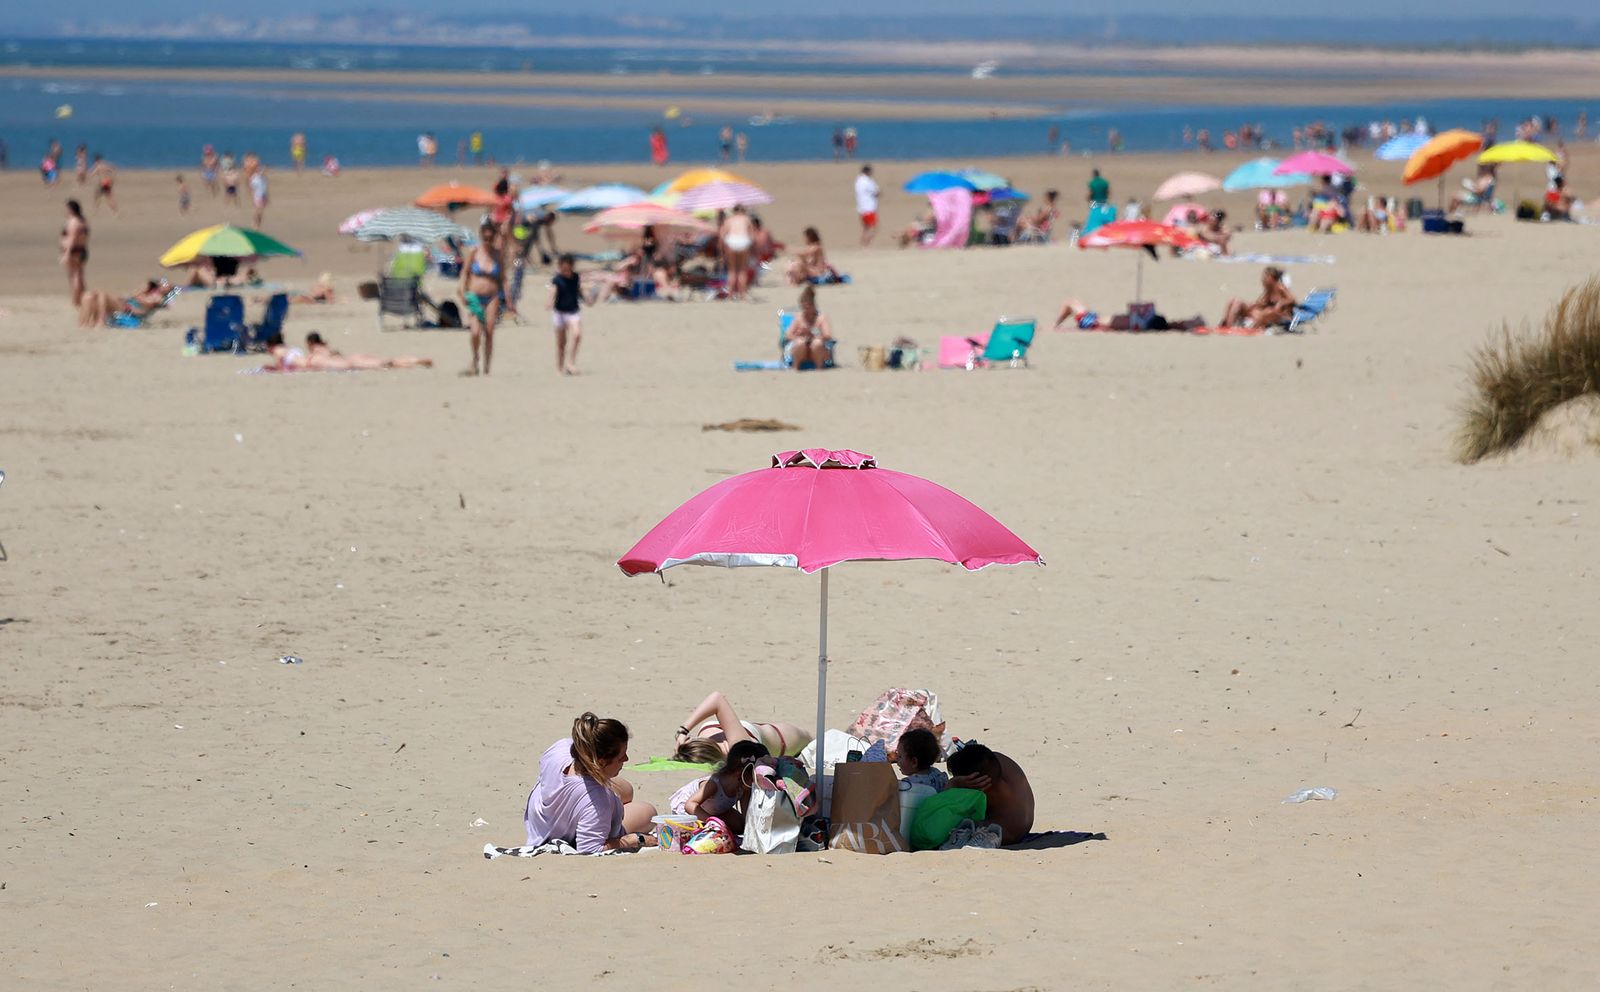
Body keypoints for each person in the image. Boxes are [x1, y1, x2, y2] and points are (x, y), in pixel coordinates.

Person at [524, 714, 658, 854]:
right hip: (558, 831)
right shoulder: (597, 801)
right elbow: (589, 849)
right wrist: (633, 840)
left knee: (627, 790)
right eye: (621, 757)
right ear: (601, 762)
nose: (626, 759)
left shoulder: (561, 747)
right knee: (648, 811)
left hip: (541, 820)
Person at [671, 691, 812, 761]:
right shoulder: (706, 733)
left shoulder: (737, 746)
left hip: (788, 743)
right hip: (773, 734)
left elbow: (717, 697)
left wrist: (682, 731)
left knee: (814, 741)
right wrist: (683, 732)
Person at [668, 740, 769, 834]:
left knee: (739, 825)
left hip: (715, 810)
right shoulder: (714, 784)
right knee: (698, 829)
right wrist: (712, 822)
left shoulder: (744, 787)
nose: (758, 783)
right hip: (691, 811)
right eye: (756, 778)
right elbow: (690, 804)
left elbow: (747, 814)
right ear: (740, 775)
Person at [945, 741, 1035, 845]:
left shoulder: (1001, 831)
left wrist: (952, 784)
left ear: (979, 785)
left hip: (1010, 829)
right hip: (1021, 818)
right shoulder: (997, 760)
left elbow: (943, 810)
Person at [459, 222, 503, 376]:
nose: (488, 239)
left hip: (492, 296)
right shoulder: (474, 252)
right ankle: (476, 358)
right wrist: (461, 291)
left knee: (489, 331)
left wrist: (508, 299)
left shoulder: (498, 254)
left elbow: (503, 278)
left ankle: (487, 367)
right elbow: (464, 273)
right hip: (475, 296)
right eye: (485, 236)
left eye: (491, 236)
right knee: (475, 332)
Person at [304, 332, 432, 370]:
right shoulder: (327, 349)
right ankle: (415, 360)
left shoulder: (315, 352)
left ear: (310, 343)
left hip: (350, 362)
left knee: (385, 364)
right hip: (353, 356)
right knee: (388, 360)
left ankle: (410, 365)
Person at [1220, 266, 1296, 329]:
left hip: (1278, 317)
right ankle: (1227, 325)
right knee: (1236, 301)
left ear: (1272, 279)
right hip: (1264, 315)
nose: (1263, 279)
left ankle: (1251, 328)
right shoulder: (1268, 290)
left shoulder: (1280, 288)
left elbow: (1292, 300)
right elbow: (1261, 303)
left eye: (1265, 277)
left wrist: (1281, 303)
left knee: (1266, 312)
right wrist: (1253, 305)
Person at [77, 278, 171, 328]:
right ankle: (84, 323)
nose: (162, 285)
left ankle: (100, 322)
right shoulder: (145, 294)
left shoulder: (157, 298)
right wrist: (143, 291)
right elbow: (135, 295)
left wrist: (140, 296)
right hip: (122, 304)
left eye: (164, 285)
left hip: (126, 310)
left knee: (102, 295)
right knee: (88, 296)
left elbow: (143, 309)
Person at [548, 253, 583, 375]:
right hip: (560, 313)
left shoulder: (576, 277)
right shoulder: (557, 279)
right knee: (561, 343)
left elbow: (578, 290)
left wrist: (586, 299)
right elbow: (553, 291)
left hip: (573, 311)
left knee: (577, 335)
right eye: (562, 268)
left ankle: (570, 363)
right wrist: (549, 302)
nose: (565, 271)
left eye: (567, 268)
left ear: (572, 267)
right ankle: (559, 367)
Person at [784, 285, 834, 370]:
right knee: (800, 343)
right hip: (801, 350)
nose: (806, 311)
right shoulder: (798, 318)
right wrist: (799, 336)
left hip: (817, 350)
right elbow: (788, 335)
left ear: (813, 306)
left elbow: (828, 335)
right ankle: (795, 367)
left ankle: (819, 367)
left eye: (808, 308)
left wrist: (813, 336)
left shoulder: (821, 318)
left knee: (817, 343)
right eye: (803, 308)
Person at [896, 728, 949, 792]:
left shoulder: (908, 785)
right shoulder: (938, 775)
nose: (896, 759)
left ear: (914, 762)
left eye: (900, 756)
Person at [719, 205, 754, 299]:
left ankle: (730, 294)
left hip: (732, 241)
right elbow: (751, 236)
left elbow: (722, 236)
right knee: (742, 269)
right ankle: (742, 294)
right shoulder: (747, 219)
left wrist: (722, 252)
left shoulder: (729, 220)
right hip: (743, 241)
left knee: (732, 270)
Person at [61, 199, 89, 307]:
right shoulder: (82, 221)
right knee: (79, 275)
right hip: (81, 250)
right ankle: (83, 298)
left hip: (74, 251)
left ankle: (76, 299)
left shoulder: (74, 222)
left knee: (74, 276)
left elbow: (72, 238)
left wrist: (67, 253)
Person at [854, 164, 879, 246]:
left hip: (861, 208)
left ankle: (862, 243)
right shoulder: (867, 181)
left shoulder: (858, 180)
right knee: (873, 227)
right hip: (869, 207)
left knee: (866, 228)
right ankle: (866, 244)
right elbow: (876, 192)